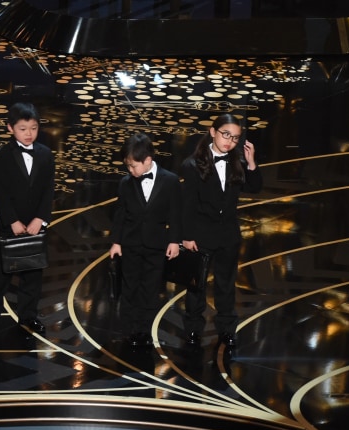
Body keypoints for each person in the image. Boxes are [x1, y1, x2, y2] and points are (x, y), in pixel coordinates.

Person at [179, 113, 263, 348]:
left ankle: (226, 330)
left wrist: (252, 161)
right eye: (226, 134)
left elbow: (255, 187)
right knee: (197, 286)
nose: (230, 141)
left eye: (235, 138)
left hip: (228, 236)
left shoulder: (237, 161)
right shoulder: (191, 164)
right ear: (213, 132)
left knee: (226, 286)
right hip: (200, 237)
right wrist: (186, 237)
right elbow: (187, 205)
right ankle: (193, 330)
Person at [0, 102, 55, 336]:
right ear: (10, 128)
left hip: (34, 226)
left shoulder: (45, 154)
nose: (29, 134)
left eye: (33, 128)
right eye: (23, 129)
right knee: (1, 274)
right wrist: (12, 220)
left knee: (33, 274)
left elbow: (48, 190)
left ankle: (28, 316)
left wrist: (40, 219)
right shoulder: (3, 154)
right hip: (9, 225)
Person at [109, 132, 182, 347]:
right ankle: (129, 328)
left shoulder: (170, 180)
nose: (130, 170)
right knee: (130, 286)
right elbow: (120, 213)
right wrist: (116, 241)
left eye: (133, 166)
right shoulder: (126, 183)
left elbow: (176, 214)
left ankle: (145, 329)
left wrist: (174, 241)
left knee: (150, 289)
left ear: (148, 160)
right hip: (131, 244)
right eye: (128, 166)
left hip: (157, 244)